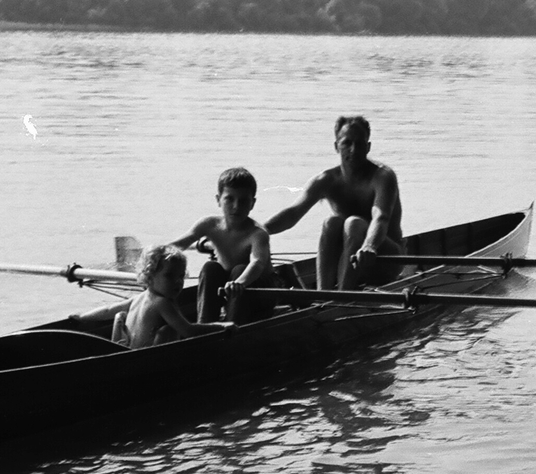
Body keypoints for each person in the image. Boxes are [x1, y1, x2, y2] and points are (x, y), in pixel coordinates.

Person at [264, 115, 405, 290]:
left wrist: (369, 245)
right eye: (347, 143)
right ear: (336, 146)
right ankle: (323, 294)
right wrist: (258, 231)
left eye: (359, 144)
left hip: (384, 259)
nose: (353, 150)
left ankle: (342, 296)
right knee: (331, 222)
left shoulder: (383, 177)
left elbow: (380, 218)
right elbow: (293, 213)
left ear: (368, 147)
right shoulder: (326, 180)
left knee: (353, 223)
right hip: (350, 260)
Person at [170, 166, 276, 324]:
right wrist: (153, 255)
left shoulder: (258, 234)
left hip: (260, 293)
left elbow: (257, 263)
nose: (236, 206)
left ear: (252, 203)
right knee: (210, 268)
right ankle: (205, 325)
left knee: (240, 269)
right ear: (218, 200)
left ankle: (232, 329)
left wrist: (240, 282)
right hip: (229, 289)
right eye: (230, 199)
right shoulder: (209, 225)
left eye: (243, 201)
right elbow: (179, 245)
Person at [110, 245, 228, 348]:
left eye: (181, 276)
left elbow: (108, 310)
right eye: (169, 276)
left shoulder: (137, 298)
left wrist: (90, 319)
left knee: (119, 315)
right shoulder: (162, 302)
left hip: (130, 352)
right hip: (148, 362)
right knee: (169, 330)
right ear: (150, 276)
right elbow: (188, 331)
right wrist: (221, 326)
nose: (177, 281)